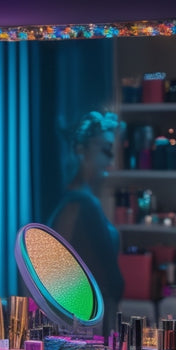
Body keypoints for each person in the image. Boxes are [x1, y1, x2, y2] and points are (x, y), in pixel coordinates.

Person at [48, 111, 124, 337]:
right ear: (82, 150)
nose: (110, 161)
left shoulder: (85, 201)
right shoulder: (79, 204)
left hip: (98, 318)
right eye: (105, 150)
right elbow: (53, 271)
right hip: (89, 323)